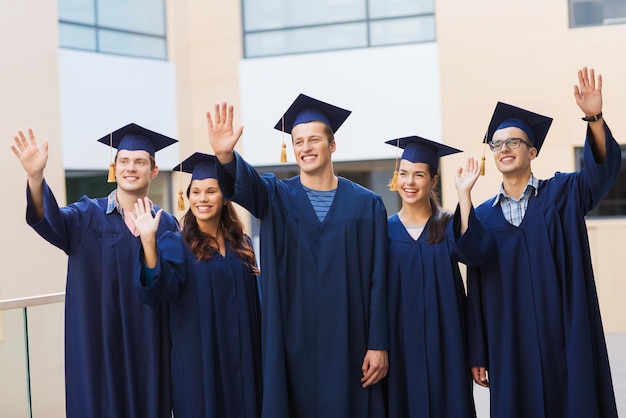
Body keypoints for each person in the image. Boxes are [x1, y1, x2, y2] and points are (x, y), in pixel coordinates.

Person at [207, 95, 389, 418]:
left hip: (350, 341)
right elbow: (245, 183)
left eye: (314, 139)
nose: (305, 147)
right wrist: (225, 156)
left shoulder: (367, 205)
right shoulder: (277, 196)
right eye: (298, 141)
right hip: (293, 343)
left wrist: (378, 343)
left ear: (332, 146)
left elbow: (379, 278)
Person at [467, 67, 619, 418]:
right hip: (510, 343)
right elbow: (476, 286)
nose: (505, 148)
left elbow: (602, 173)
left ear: (532, 152)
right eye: (498, 144)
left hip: (565, 332)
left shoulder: (564, 193)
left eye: (514, 142)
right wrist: (479, 351)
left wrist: (593, 117)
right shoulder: (484, 218)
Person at [10, 123, 179, 418]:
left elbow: (175, 286)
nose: (131, 168)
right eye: (124, 161)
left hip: (150, 350)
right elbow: (49, 221)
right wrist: (36, 178)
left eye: (140, 161)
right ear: (113, 168)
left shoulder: (167, 225)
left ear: (153, 171)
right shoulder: (86, 216)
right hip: (99, 348)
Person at [131, 152, 262, 418]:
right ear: (188, 197)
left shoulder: (243, 245)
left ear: (225, 197)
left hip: (243, 359)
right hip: (200, 360)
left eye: (211, 191)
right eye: (196, 191)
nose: (202, 198)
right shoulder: (175, 243)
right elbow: (157, 289)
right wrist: (147, 241)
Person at [384, 136, 489, 418]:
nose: (410, 182)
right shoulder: (384, 231)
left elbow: (476, 254)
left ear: (432, 181)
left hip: (449, 347)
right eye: (404, 174)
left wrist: (464, 195)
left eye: (419, 175)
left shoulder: (448, 225)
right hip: (400, 349)